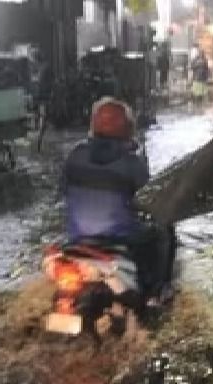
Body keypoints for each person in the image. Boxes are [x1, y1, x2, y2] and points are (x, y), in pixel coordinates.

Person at [60, 98, 171, 297]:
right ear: (128, 128)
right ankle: (157, 294)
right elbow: (150, 204)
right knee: (165, 232)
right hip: (120, 245)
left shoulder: (75, 154)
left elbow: (64, 191)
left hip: (78, 242)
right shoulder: (133, 163)